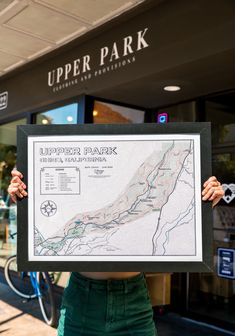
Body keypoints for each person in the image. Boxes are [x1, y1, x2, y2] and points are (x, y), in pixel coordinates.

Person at [8, 170, 224, 336]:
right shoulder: (81, 205)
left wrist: (205, 206)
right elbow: (48, 228)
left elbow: (176, 228)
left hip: (133, 301)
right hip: (82, 300)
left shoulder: (142, 202)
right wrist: (24, 202)